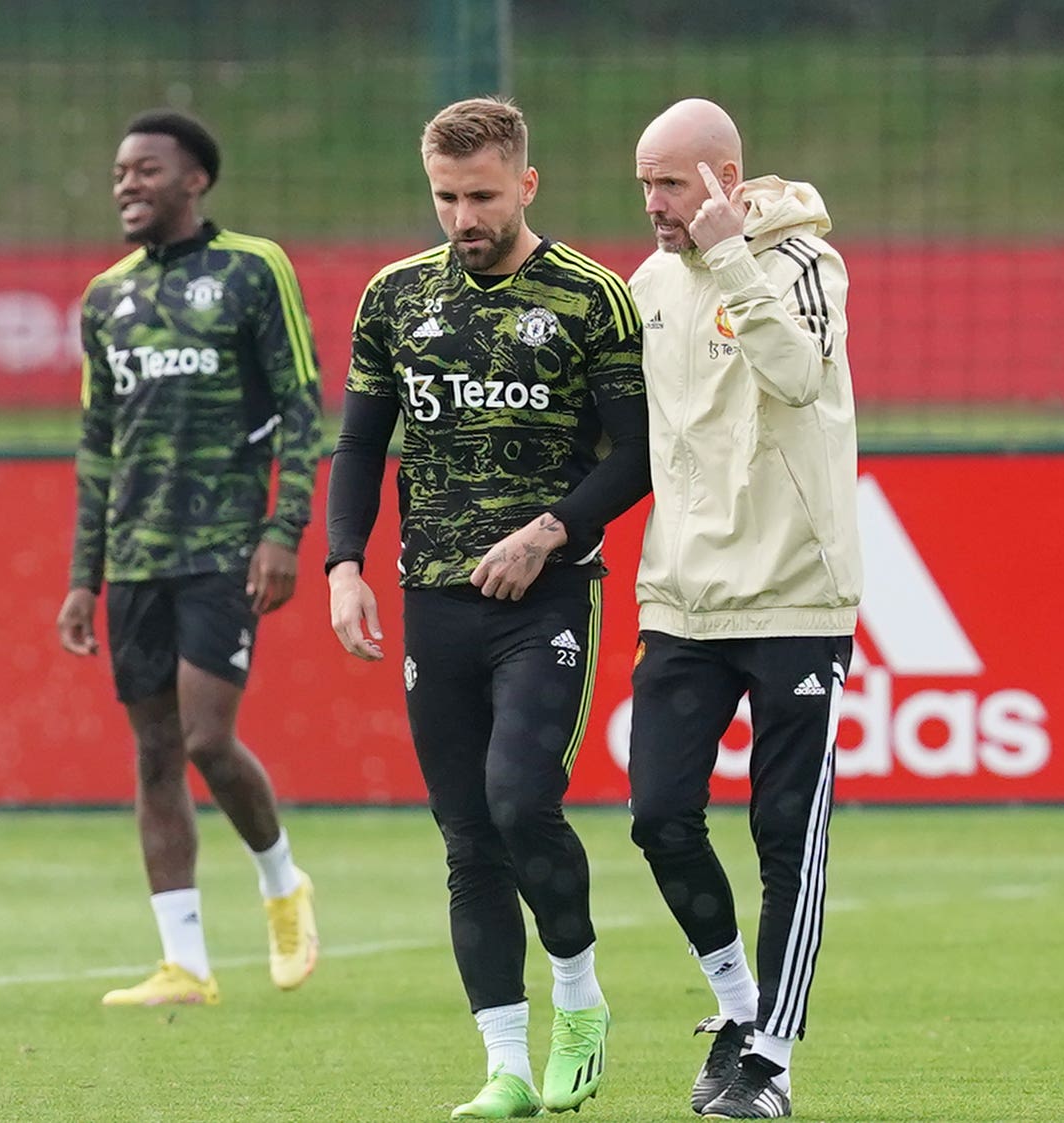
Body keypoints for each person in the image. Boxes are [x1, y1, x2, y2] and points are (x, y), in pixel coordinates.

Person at [326, 95, 650, 1119]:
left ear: (526, 185)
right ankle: (506, 1066)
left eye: (480, 196)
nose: (462, 218)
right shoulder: (392, 298)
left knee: (520, 803)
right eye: (444, 197)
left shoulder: (590, 297)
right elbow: (359, 446)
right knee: (467, 836)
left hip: (545, 598)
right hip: (435, 602)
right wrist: (343, 563)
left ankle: (580, 1001)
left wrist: (549, 530)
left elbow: (641, 452)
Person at [626, 97, 861, 1119]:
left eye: (670, 182)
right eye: (642, 183)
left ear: (723, 175)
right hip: (680, 596)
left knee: (783, 836)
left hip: (793, 595)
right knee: (658, 817)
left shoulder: (805, 263)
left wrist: (732, 259)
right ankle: (736, 1002)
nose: (653, 204)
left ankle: (767, 1064)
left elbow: (798, 378)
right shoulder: (644, 283)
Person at [56, 109, 322, 1007]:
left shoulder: (252, 267)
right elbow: (98, 441)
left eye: (146, 169)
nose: (127, 183)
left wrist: (284, 531)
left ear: (195, 178)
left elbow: (300, 404)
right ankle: (185, 964)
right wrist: (81, 576)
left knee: (208, 736)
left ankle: (282, 881)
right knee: (155, 754)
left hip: (221, 546)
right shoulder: (105, 297)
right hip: (134, 556)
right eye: (119, 172)